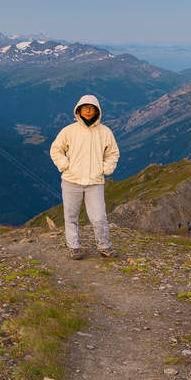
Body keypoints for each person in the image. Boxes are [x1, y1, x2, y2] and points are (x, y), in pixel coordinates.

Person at [49, 93, 119, 258]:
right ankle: (74, 247)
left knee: (99, 217)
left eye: (92, 108)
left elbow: (113, 153)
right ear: (78, 110)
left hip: (95, 182)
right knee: (71, 216)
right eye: (85, 108)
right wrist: (64, 165)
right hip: (71, 180)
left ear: (97, 111)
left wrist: (106, 168)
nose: (88, 111)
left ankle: (104, 246)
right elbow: (56, 149)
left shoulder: (105, 132)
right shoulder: (69, 131)